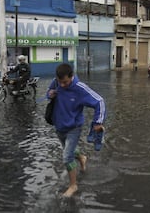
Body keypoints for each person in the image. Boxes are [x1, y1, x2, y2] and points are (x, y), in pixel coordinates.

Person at [47, 63, 106, 198]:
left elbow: (99, 101)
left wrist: (98, 122)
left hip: (74, 127)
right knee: (71, 151)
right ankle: (82, 158)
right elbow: (49, 93)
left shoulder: (80, 88)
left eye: (65, 82)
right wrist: (50, 94)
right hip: (59, 126)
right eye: (60, 82)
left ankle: (73, 185)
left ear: (72, 77)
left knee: (67, 157)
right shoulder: (56, 82)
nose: (62, 85)